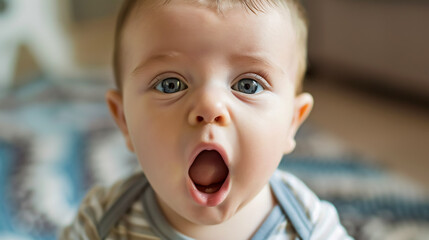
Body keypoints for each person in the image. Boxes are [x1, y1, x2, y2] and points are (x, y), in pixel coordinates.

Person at [61, 0, 352, 239]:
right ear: (124, 119)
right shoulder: (103, 222)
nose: (209, 107)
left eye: (247, 85)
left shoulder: (311, 227)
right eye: (170, 84)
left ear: (292, 122)